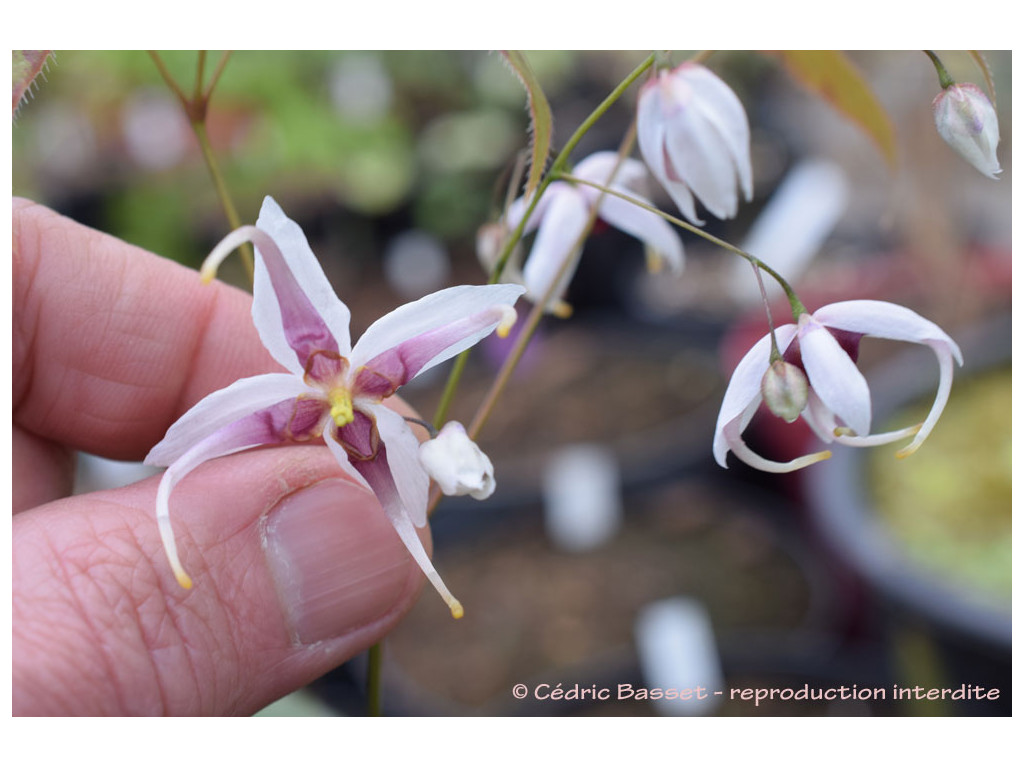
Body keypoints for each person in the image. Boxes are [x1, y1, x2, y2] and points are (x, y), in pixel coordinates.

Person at [12, 198, 428, 716]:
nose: (341, 408)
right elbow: (202, 446)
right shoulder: (315, 405)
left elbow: (468, 322)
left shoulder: (341, 404)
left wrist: (260, 242)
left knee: (401, 520)